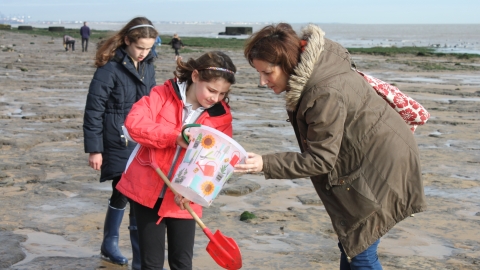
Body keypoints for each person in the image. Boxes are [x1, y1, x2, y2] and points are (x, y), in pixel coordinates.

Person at [235, 23, 427, 270]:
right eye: (259, 73)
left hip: (381, 166)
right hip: (371, 156)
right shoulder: (318, 69)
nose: (262, 82)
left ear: (289, 63)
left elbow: (321, 159)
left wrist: (265, 163)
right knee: (352, 246)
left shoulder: (323, 92)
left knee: (361, 253)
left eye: (268, 73)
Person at [115, 51, 236, 269]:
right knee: (150, 263)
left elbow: (218, 162)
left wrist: (194, 191)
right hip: (147, 191)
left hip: (185, 197)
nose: (215, 98)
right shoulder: (161, 95)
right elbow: (134, 125)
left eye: (221, 94)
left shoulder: (221, 116)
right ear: (196, 76)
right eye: (211, 90)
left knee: (181, 262)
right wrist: (175, 137)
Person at [83, 17, 158, 270]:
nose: (144, 53)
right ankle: (113, 243)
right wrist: (95, 149)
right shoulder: (109, 69)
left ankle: (128, 252)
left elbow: (153, 103)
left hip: (142, 140)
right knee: (125, 190)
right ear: (127, 41)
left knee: (134, 193)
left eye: (149, 48)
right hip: (116, 139)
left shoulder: (148, 66)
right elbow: (94, 110)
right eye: (140, 47)